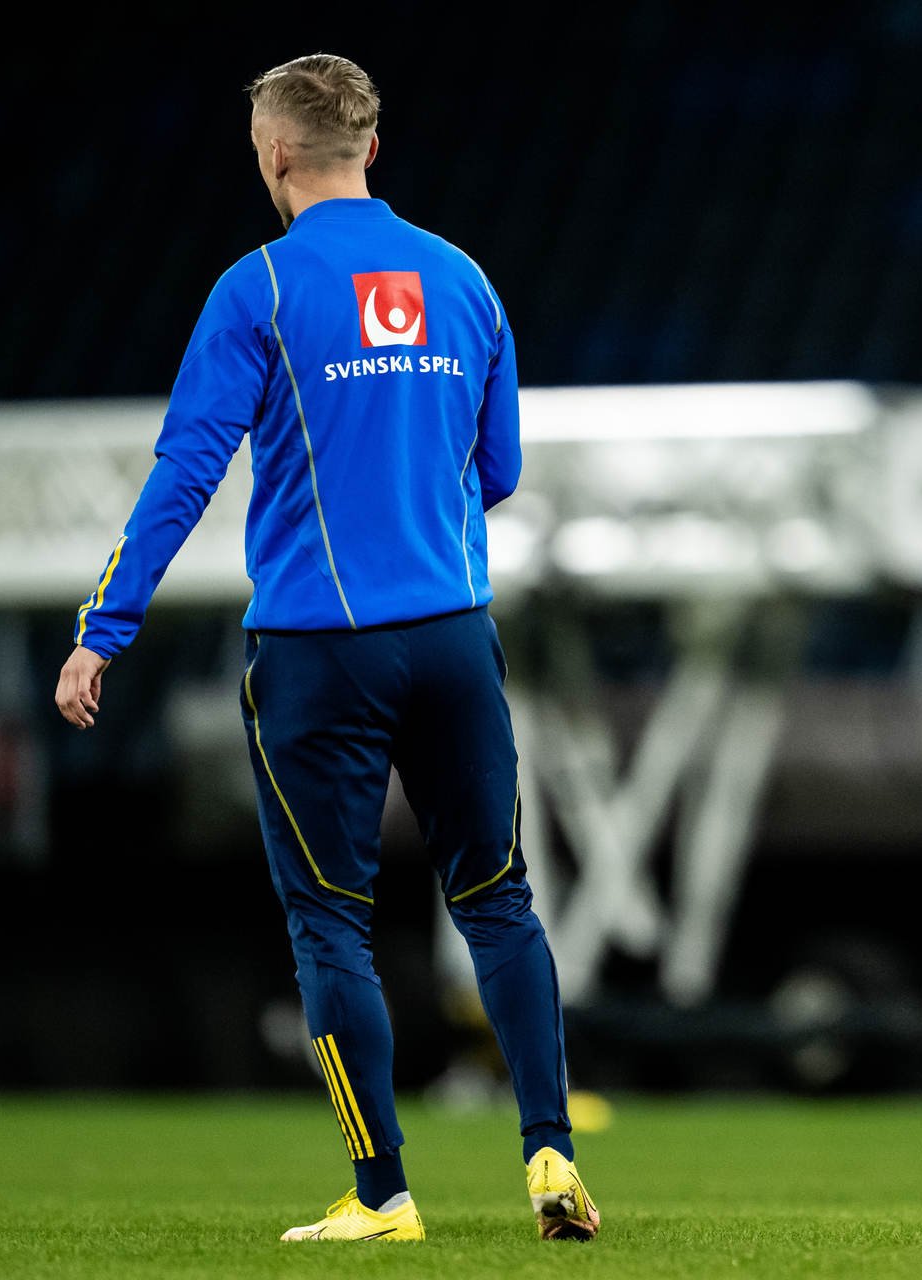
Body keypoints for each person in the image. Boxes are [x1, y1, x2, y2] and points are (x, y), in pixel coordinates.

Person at [52, 53, 599, 1245]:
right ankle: (549, 1149)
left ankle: (382, 1190)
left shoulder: (255, 288)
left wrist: (105, 630)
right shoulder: (462, 281)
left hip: (317, 653)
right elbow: (498, 469)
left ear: (275, 156)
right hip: (454, 635)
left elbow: (186, 472)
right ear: (372, 149)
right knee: (498, 897)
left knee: (330, 921)